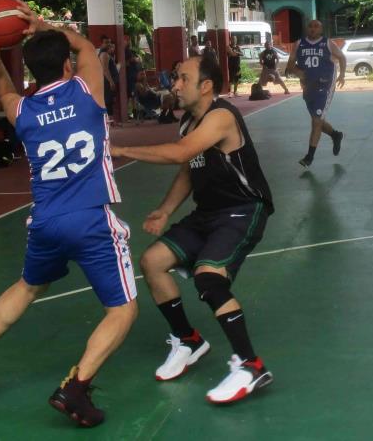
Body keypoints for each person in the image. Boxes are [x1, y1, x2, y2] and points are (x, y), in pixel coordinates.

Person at [0, 5, 138, 428]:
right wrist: (45, 26)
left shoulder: (24, 112)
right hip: (90, 219)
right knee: (122, 310)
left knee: (29, 284)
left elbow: (4, 92)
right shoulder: (87, 92)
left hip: (46, 221)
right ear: (68, 65)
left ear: (32, 71)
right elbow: (86, 45)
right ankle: (76, 386)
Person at [111, 56, 275, 404]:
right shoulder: (188, 122)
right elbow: (189, 168)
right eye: (176, 78)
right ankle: (188, 340)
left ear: (206, 86)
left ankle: (251, 365)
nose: (175, 84)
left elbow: (180, 153)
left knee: (209, 277)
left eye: (183, 78)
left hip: (243, 210)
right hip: (209, 213)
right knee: (153, 262)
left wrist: (122, 148)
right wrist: (165, 210)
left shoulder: (221, 116)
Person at [285, 20, 346, 167]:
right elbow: (289, 65)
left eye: (316, 26)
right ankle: (335, 135)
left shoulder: (328, 43)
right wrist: (295, 71)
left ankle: (309, 157)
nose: (313, 28)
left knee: (316, 121)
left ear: (321, 29)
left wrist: (342, 75)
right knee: (317, 119)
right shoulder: (299, 44)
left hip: (325, 84)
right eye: (310, 26)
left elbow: (342, 57)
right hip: (308, 86)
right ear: (307, 28)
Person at [99, 40, 118, 118]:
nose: (108, 44)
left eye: (109, 42)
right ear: (102, 44)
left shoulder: (108, 55)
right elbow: (105, 69)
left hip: (108, 80)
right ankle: (109, 119)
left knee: (110, 100)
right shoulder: (104, 55)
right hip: (106, 82)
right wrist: (111, 81)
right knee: (108, 101)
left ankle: (110, 119)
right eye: (106, 42)